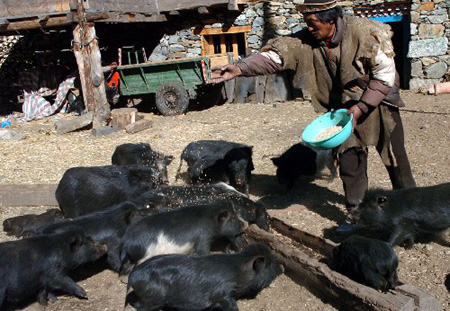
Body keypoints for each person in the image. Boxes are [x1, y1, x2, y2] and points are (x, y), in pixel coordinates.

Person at [212, 0, 416, 235]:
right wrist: (240, 68)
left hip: (378, 103)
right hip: (343, 111)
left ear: (331, 20)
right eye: (307, 23)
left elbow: (384, 77)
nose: (308, 28)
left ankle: (410, 214)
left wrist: (361, 108)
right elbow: (275, 58)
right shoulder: (307, 41)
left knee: (395, 160)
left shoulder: (365, 34)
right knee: (350, 162)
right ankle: (358, 217)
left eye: (312, 23)